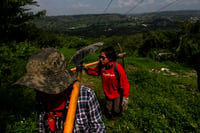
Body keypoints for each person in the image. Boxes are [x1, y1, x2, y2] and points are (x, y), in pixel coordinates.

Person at [14, 48, 106, 133]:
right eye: (37, 87)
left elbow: (99, 127)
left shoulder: (85, 95)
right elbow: (42, 128)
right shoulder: (40, 98)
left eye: (44, 87)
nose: (38, 91)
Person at [84, 46, 130, 120]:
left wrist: (125, 97)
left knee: (116, 109)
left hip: (117, 93)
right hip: (108, 92)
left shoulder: (117, 67)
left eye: (103, 57)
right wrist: (87, 69)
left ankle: (117, 115)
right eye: (100, 57)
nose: (100, 59)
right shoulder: (101, 66)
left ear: (110, 58)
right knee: (108, 108)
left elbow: (124, 82)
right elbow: (95, 72)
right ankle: (111, 118)